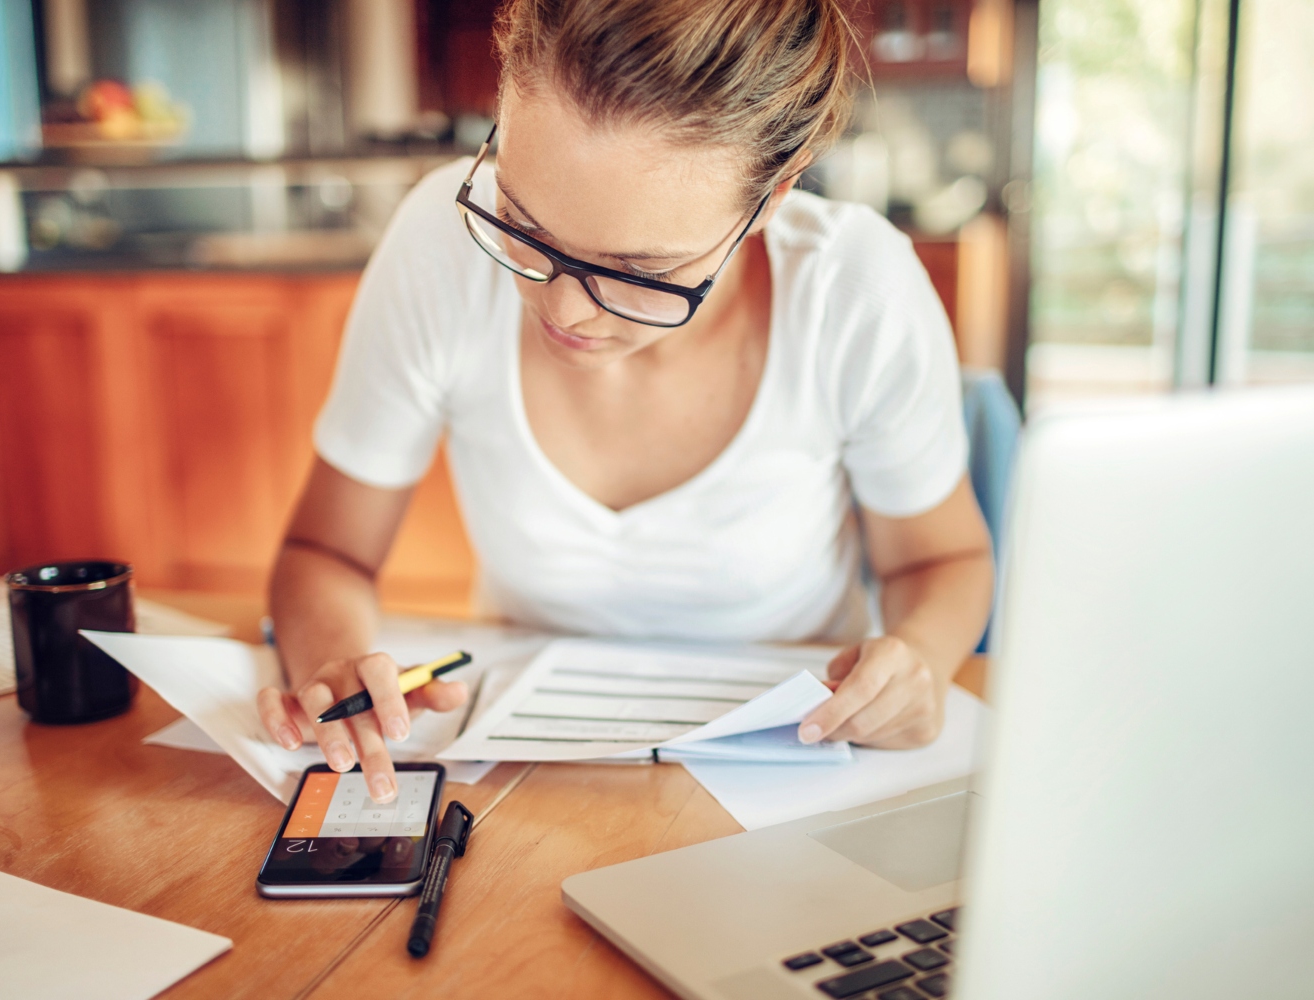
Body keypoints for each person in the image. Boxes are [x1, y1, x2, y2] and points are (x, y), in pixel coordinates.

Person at [258, 0, 994, 806]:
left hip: (794, 769)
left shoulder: (855, 291)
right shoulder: (439, 245)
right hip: (520, 779)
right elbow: (327, 553)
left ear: (771, 199)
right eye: (522, 224)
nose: (567, 312)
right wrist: (334, 664)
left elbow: (941, 560)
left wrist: (918, 657)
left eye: (641, 272)